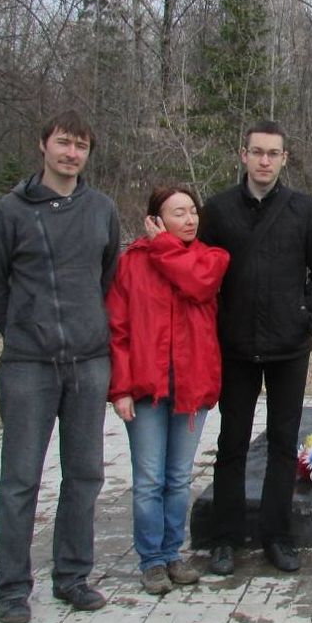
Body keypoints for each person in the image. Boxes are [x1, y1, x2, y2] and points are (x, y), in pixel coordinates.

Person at [0, 110, 121, 623]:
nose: (71, 153)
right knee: (20, 479)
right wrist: (26, 330)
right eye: (63, 143)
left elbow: (107, 276)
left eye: (81, 145)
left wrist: (85, 330)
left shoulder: (101, 209)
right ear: (43, 145)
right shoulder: (10, 211)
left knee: (84, 474)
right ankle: (13, 588)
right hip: (28, 367)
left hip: (88, 364)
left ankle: (73, 576)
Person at [200, 119, 312, 575]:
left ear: (284, 158)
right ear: (243, 155)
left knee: (283, 444)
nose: (264, 161)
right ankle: (225, 538)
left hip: (289, 346)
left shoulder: (304, 210)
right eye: (256, 152)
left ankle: (277, 536)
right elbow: (200, 272)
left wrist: (307, 318)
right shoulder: (217, 211)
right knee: (232, 444)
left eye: (272, 153)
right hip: (236, 345)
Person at [106, 186, 230, 595]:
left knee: (178, 478)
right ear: (156, 220)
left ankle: (173, 553)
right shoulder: (132, 264)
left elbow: (195, 284)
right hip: (146, 389)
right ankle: (151, 560)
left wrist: (163, 246)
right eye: (179, 213)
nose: (191, 219)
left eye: (193, 211)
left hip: (191, 389)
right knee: (148, 480)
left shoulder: (211, 258)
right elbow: (118, 329)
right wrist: (120, 389)